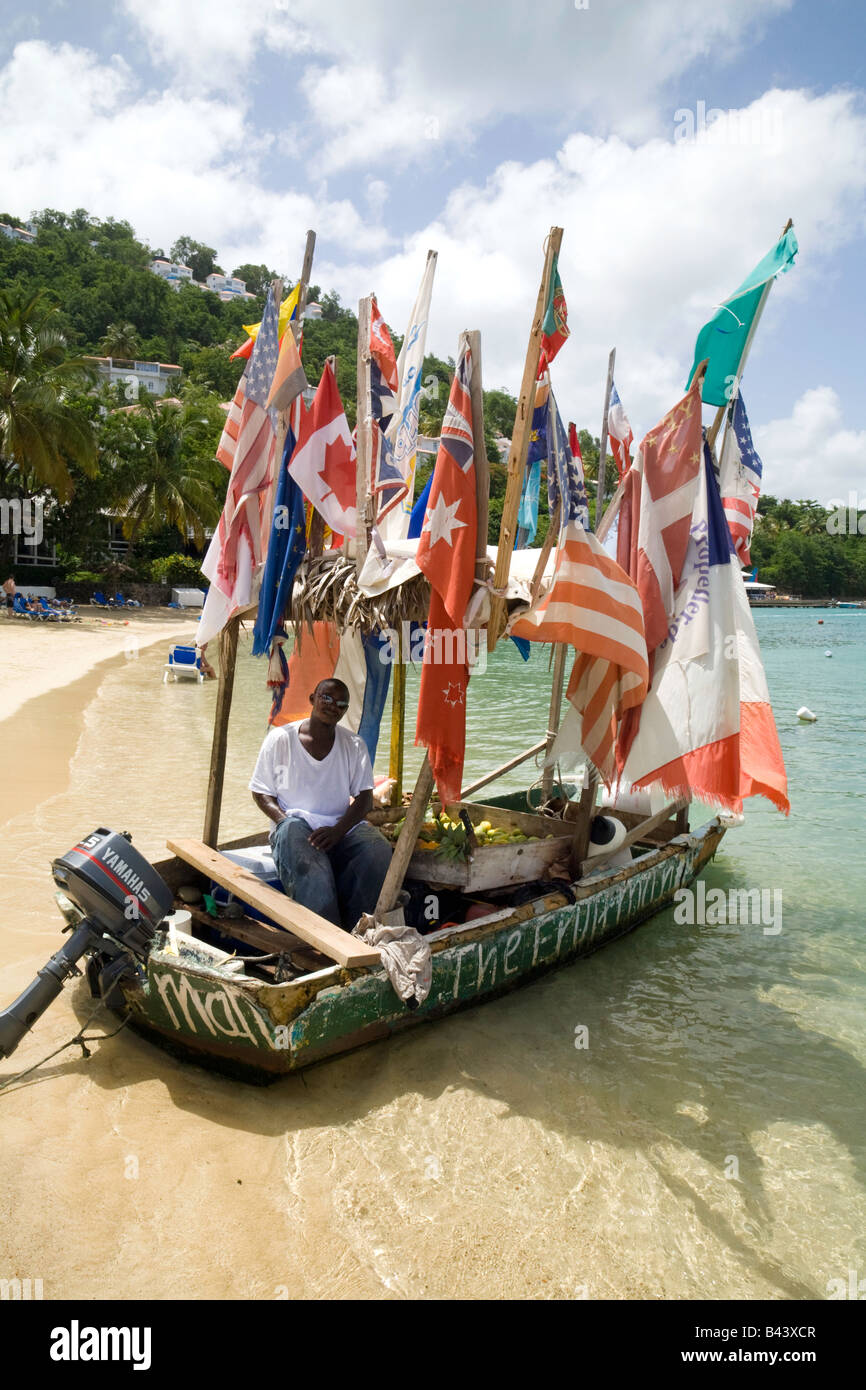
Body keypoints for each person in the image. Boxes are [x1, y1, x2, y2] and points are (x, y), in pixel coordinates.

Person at [250, 677, 393, 931]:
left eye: (340, 703)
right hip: (295, 828)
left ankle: (359, 929)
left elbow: (364, 799)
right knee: (295, 833)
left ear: (345, 711)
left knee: (378, 849)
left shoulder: (354, 744)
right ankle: (327, 936)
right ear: (312, 699)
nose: (332, 706)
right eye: (326, 698)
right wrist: (284, 822)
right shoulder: (280, 739)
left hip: (339, 830)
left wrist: (338, 831)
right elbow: (261, 793)